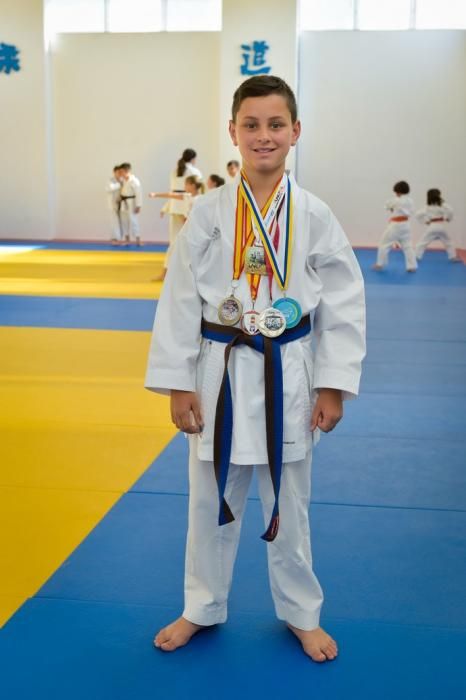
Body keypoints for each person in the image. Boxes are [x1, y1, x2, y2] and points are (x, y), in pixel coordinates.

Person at [145, 75, 366, 662]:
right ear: (233, 132)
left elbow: (344, 302)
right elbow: (179, 300)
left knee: (289, 504)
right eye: (251, 125)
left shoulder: (316, 215)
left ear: (295, 132)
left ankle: (301, 613)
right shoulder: (208, 213)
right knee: (207, 500)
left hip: (287, 373)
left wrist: (333, 384)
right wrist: (177, 383)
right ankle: (201, 606)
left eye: (275, 125)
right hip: (216, 373)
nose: (263, 136)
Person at [155, 149, 203, 281]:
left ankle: (168, 272)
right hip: (186, 206)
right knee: (189, 243)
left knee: (174, 241)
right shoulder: (194, 172)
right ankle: (180, 273)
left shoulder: (175, 170)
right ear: (193, 158)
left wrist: (166, 206)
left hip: (176, 205)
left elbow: (172, 191)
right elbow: (200, 189)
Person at [372, 181, 417, 272]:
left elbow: (387, 206)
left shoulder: (396, 200)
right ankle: (412, 266)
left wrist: (391, 207)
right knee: (407, 245)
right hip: (406, 224)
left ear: (398, 191)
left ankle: (380, 264)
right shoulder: (410, 200)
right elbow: (411, 212)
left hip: (396, 225)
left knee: (384, 244)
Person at [415, 189, 461, 263]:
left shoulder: (427, 206)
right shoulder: (443, 205)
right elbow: (451, 210)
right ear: (439, 196)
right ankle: (453, 257)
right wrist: (448, 218)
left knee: (422, 242)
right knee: (448, 242)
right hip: (441, 226)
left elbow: (417, 215)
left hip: (432, 226)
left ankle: (416, 257)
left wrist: (425, 221)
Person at [119, 162, 142, 246]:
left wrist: (138, 205)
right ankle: (127, 239)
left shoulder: (134, 180)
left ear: (126, 170)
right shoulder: (123, 180)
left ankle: (138, 240)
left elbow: (138, 193)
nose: (120, 173)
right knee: (124, 221)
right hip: (124, 202)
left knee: (133, 220)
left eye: (121, 171)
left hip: (131, 202)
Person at [105, 165, 123, 245]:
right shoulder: (110, 180)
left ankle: (119, 239)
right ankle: (115, 239)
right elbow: (109, 188)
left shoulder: (123, 180)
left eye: (120, 172)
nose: (119, 174)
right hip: (112, 204)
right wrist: (120, 184)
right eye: (118, 172)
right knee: (114, 221)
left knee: (121, 222)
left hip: (121, 204)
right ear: (114, 172)